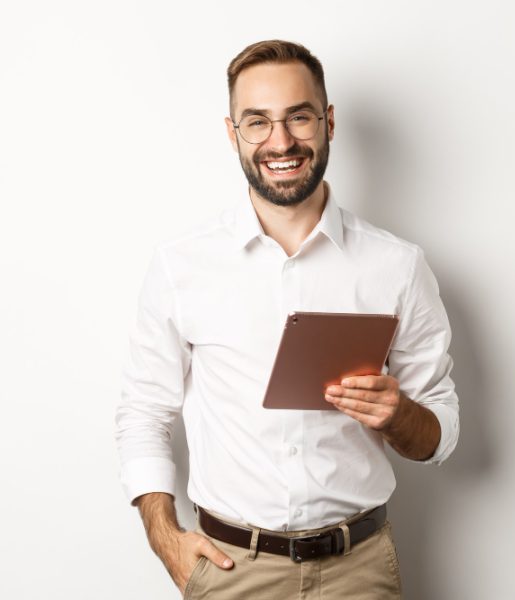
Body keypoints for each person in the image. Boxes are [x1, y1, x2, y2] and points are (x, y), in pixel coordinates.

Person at [115, 39, 459, 599]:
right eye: (258, 122)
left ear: (327, 123)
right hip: (231, 571)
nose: (281, 142)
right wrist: (165, 537)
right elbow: (142, 412)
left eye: (298, 117)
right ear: (233, 134)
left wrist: (398, 414)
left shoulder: (397, 266)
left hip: (361, 572)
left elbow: (439, 434)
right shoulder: (181, 265)